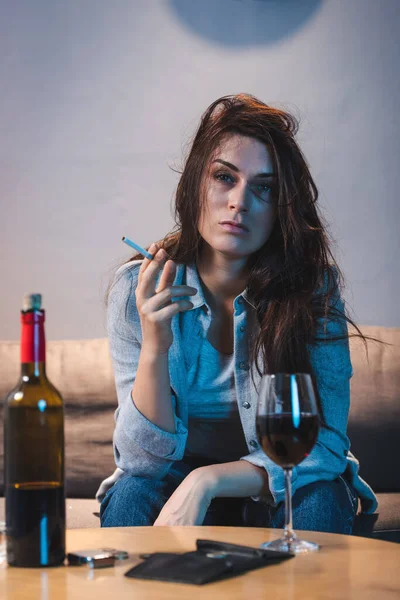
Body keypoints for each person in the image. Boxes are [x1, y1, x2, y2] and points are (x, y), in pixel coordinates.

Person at [98, 93, 377, 532]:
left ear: (282, 208)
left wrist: (207, 480)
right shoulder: (138, 289)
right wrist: (155, 345)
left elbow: (324, 444)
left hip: (280, 477)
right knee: (131, 495)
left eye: (263, 188)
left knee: (319, 503)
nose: (239, 202)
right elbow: (141, 462)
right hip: (171, 470)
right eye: (224, 177)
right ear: (195, 185)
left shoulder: (312, 289)